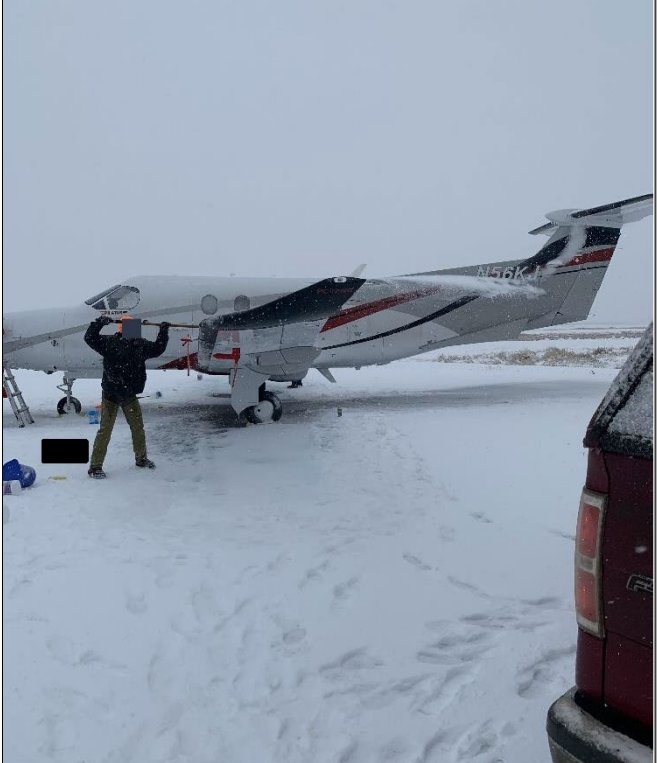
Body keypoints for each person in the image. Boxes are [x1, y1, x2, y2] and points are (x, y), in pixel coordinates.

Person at [84, 315, 170, 478]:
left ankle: (141, 459)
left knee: (138, 428)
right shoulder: (109, 343)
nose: (134, 334)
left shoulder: (140, 345)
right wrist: (98, 324)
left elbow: (158, 349)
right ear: (122, 331)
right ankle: (95, 467)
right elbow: (89, 337)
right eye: (131, 330)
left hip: (130, 394)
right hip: (111, 395)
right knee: (105, 431)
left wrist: (163, 331)